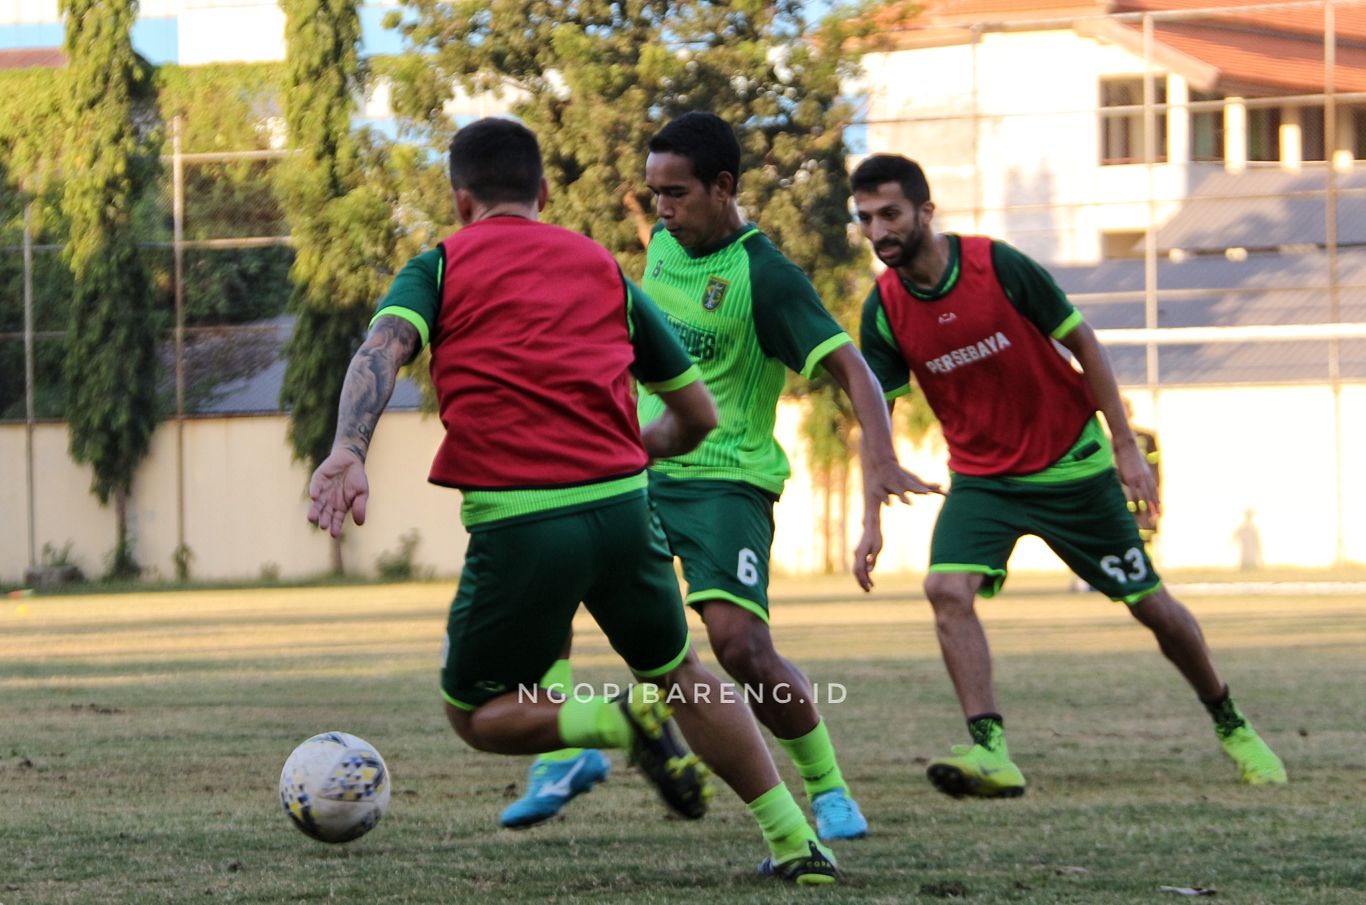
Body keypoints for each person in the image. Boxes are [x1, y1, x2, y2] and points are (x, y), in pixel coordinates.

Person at [306, 117, 840, 885]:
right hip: (627, 511)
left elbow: (381, 348)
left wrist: (348, 451)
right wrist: (630, 452)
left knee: (475, 709)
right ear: (545, 192)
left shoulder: (440, 265)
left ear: (460, 201)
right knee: (682, 673)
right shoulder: (600, 265)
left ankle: (609, 719)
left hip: (522, 521)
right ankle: (796, 840)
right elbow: (697, 415)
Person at [503, 112, 940, 840]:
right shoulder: (666, 250)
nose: (663, 209)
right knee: (552, 571)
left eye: (676, 193)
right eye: (655, 193)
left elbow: (853, 369)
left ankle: (828, 788)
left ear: (723, 187)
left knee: (740, 647)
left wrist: (883, 455)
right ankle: (564, 754)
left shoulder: (765, 277)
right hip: (641, 464)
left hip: (726, 480)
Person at [847, 153, 1287, 797]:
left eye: (890, 214)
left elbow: (1085, 344)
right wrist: (869, 520)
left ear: (925, 212)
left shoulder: (997, 266)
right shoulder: (883, 306)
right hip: (984, 480)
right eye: (865, 219)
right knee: (945, 590)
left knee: (1154, 608)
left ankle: (1232, 722)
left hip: (1071, 468)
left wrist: (1125, 448)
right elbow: (873, 413)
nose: (878, 230)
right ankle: (990, 751)